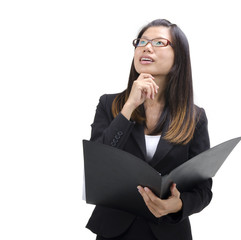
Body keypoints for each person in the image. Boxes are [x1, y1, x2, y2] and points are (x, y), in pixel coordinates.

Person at [86, 19, 213, 240]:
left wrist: (178, 205)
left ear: (178, 57)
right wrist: (128, 108)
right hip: (115, 232)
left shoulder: (195, 117)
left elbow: (203, 190)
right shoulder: (109, 105)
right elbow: (98, 163)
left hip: (168, 232)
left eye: (158, 42)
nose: (146, 47)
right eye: (142, 41)